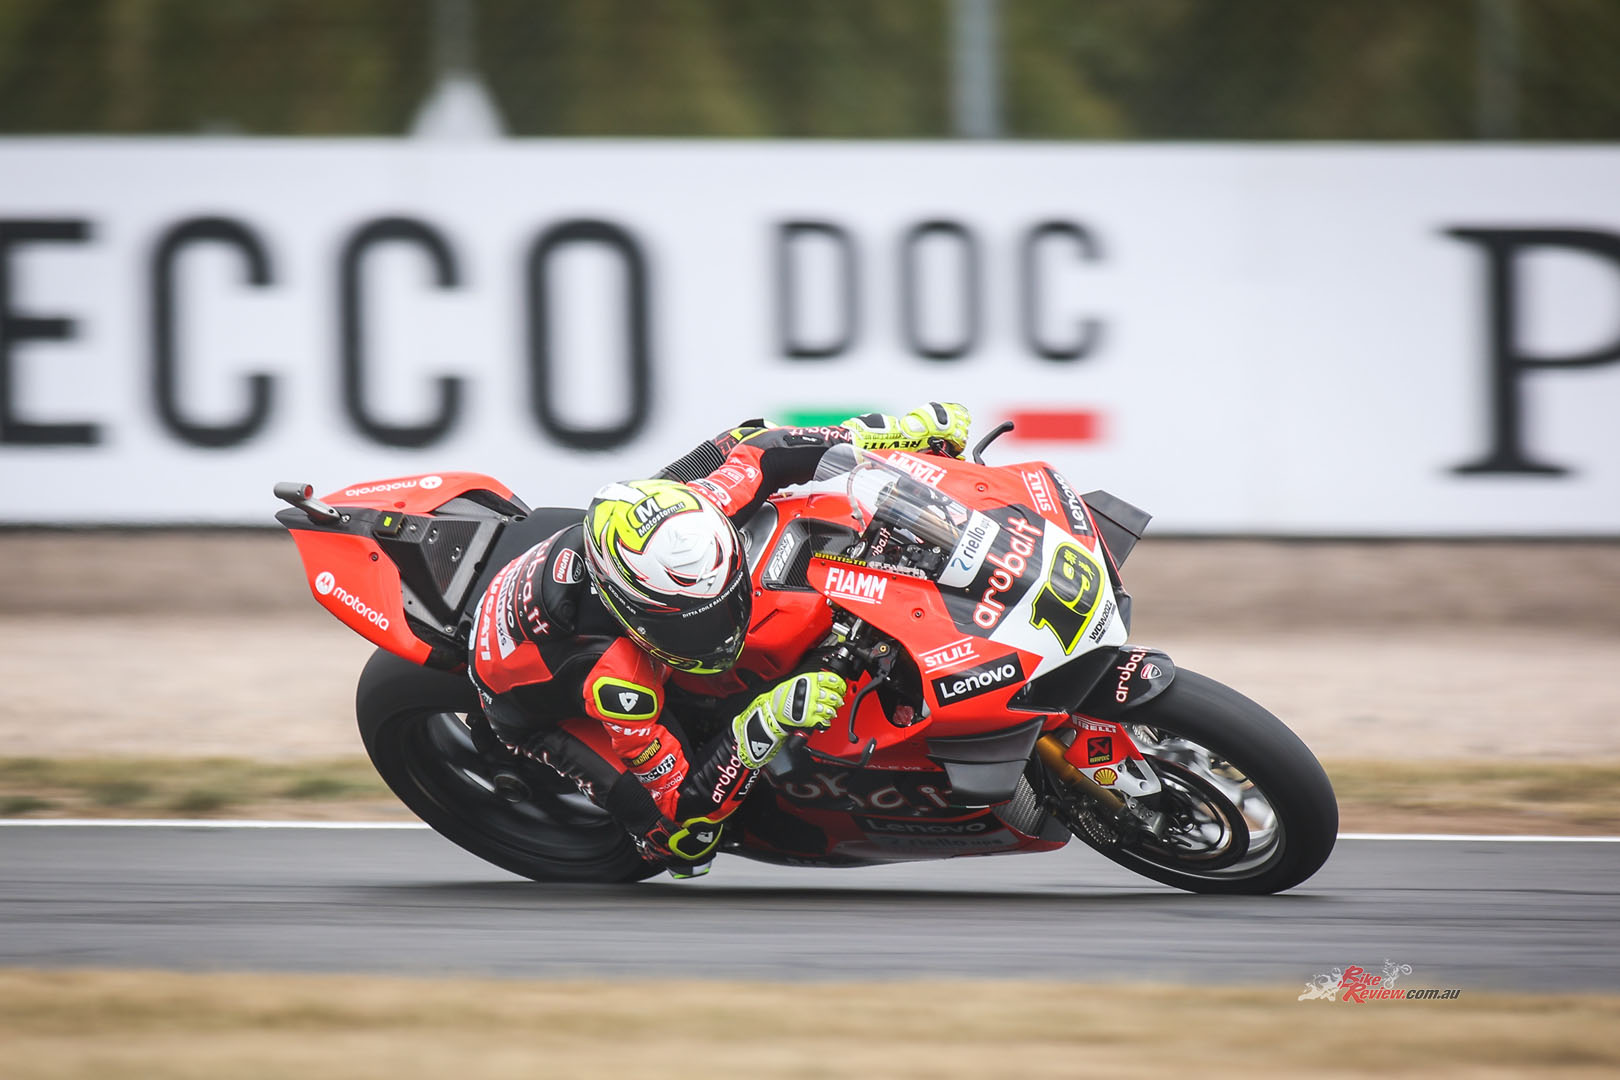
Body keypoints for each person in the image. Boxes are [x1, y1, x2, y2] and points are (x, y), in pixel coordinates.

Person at [466, 403, 973, 878]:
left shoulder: (701, 512)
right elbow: (680, 808)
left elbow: (766, 447)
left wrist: (899, 431)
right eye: (688, 625)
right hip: (525, 700)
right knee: (679, 843)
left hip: (594, 562)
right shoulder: (618, 683)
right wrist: (767, 719)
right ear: (634, 615)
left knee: (744, 437)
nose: (718, 630)